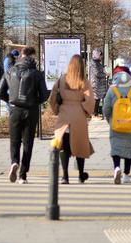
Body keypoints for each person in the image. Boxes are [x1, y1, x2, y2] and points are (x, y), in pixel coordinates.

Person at [0, 47, 49, 184]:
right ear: (32, 56)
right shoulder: (37, 74)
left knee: (14, 141)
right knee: (28, 143)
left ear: (21, 55)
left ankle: (14, 162)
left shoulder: (10, 70)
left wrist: (10, 100)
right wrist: (34, 102)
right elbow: (45, 95)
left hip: (15, 110)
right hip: (30, 111)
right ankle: (23, 175)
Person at [48, 55, 95, 184]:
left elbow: (52, 98)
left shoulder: (62, 79)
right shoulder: (83, 81)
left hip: (64, 115)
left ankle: (65, 175)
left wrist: (57, 109)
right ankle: (80, 175)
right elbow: (90, 99)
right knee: (80, 145)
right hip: (78, 115)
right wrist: (87, 111)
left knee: (64, 146)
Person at [103, 63, 131, 184]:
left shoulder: (112, 90)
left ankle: (116, 168)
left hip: (115, 123)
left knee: (116, 148)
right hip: (130, 124)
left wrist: (110, 120)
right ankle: (126, 175)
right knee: (129, 148)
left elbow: (106, 108)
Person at [89, 48, 108, 119]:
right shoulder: (93, 63)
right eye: (100, 55)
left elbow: (99, 70)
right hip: (95, 84)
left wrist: (104, 68)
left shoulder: (97, 62)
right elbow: (97, 73)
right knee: (96, 98)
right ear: (97, 55)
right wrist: (105, 74)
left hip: (98, 84)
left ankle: (95, 113)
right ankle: (94, 114)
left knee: (98, 98)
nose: (101, 57)